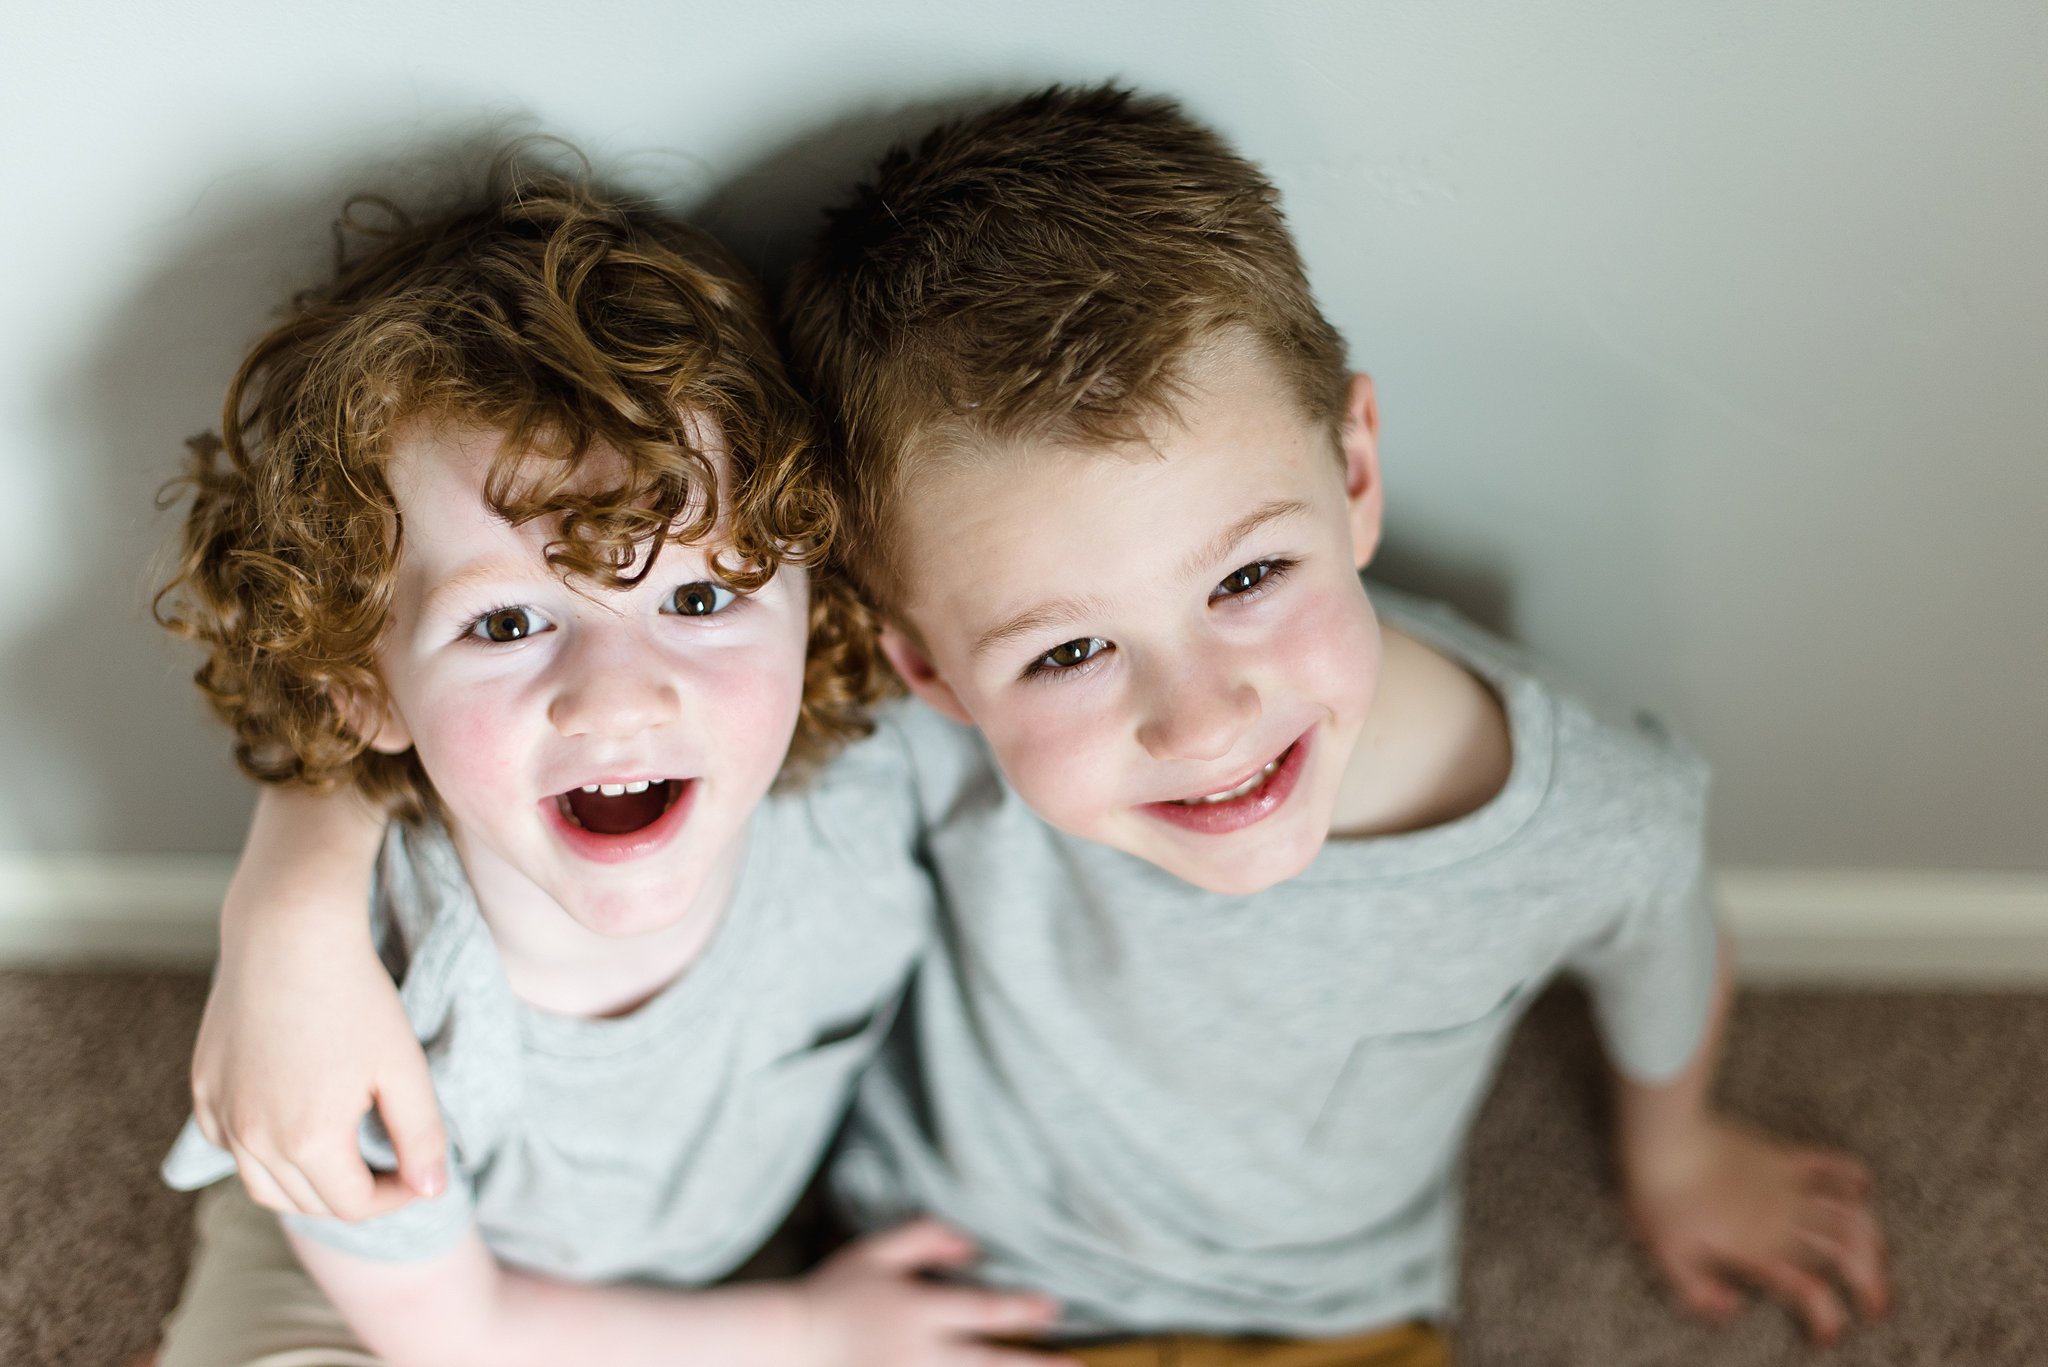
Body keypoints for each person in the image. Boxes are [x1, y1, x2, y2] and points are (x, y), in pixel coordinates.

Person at [183, 91, 1890, 1364]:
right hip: (903, 1268)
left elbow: (1660, 918)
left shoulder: (1587, 805)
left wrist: (1675, 1147)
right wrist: (294, 897)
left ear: (1354, 471)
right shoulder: (858, 741)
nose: (1198, 712)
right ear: (921, 666)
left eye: (1246, 578)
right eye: (1067, 648)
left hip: (1317, 1314)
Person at [144, 155, 1065, 1367]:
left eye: (696, 594)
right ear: (361, 686)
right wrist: (809, 1329)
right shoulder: (371, 997)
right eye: (508, 622)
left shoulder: (866, 782)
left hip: (723, 1261)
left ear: (820, 599)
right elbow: (460, 1330)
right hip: (411, 1297)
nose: (618, 696)